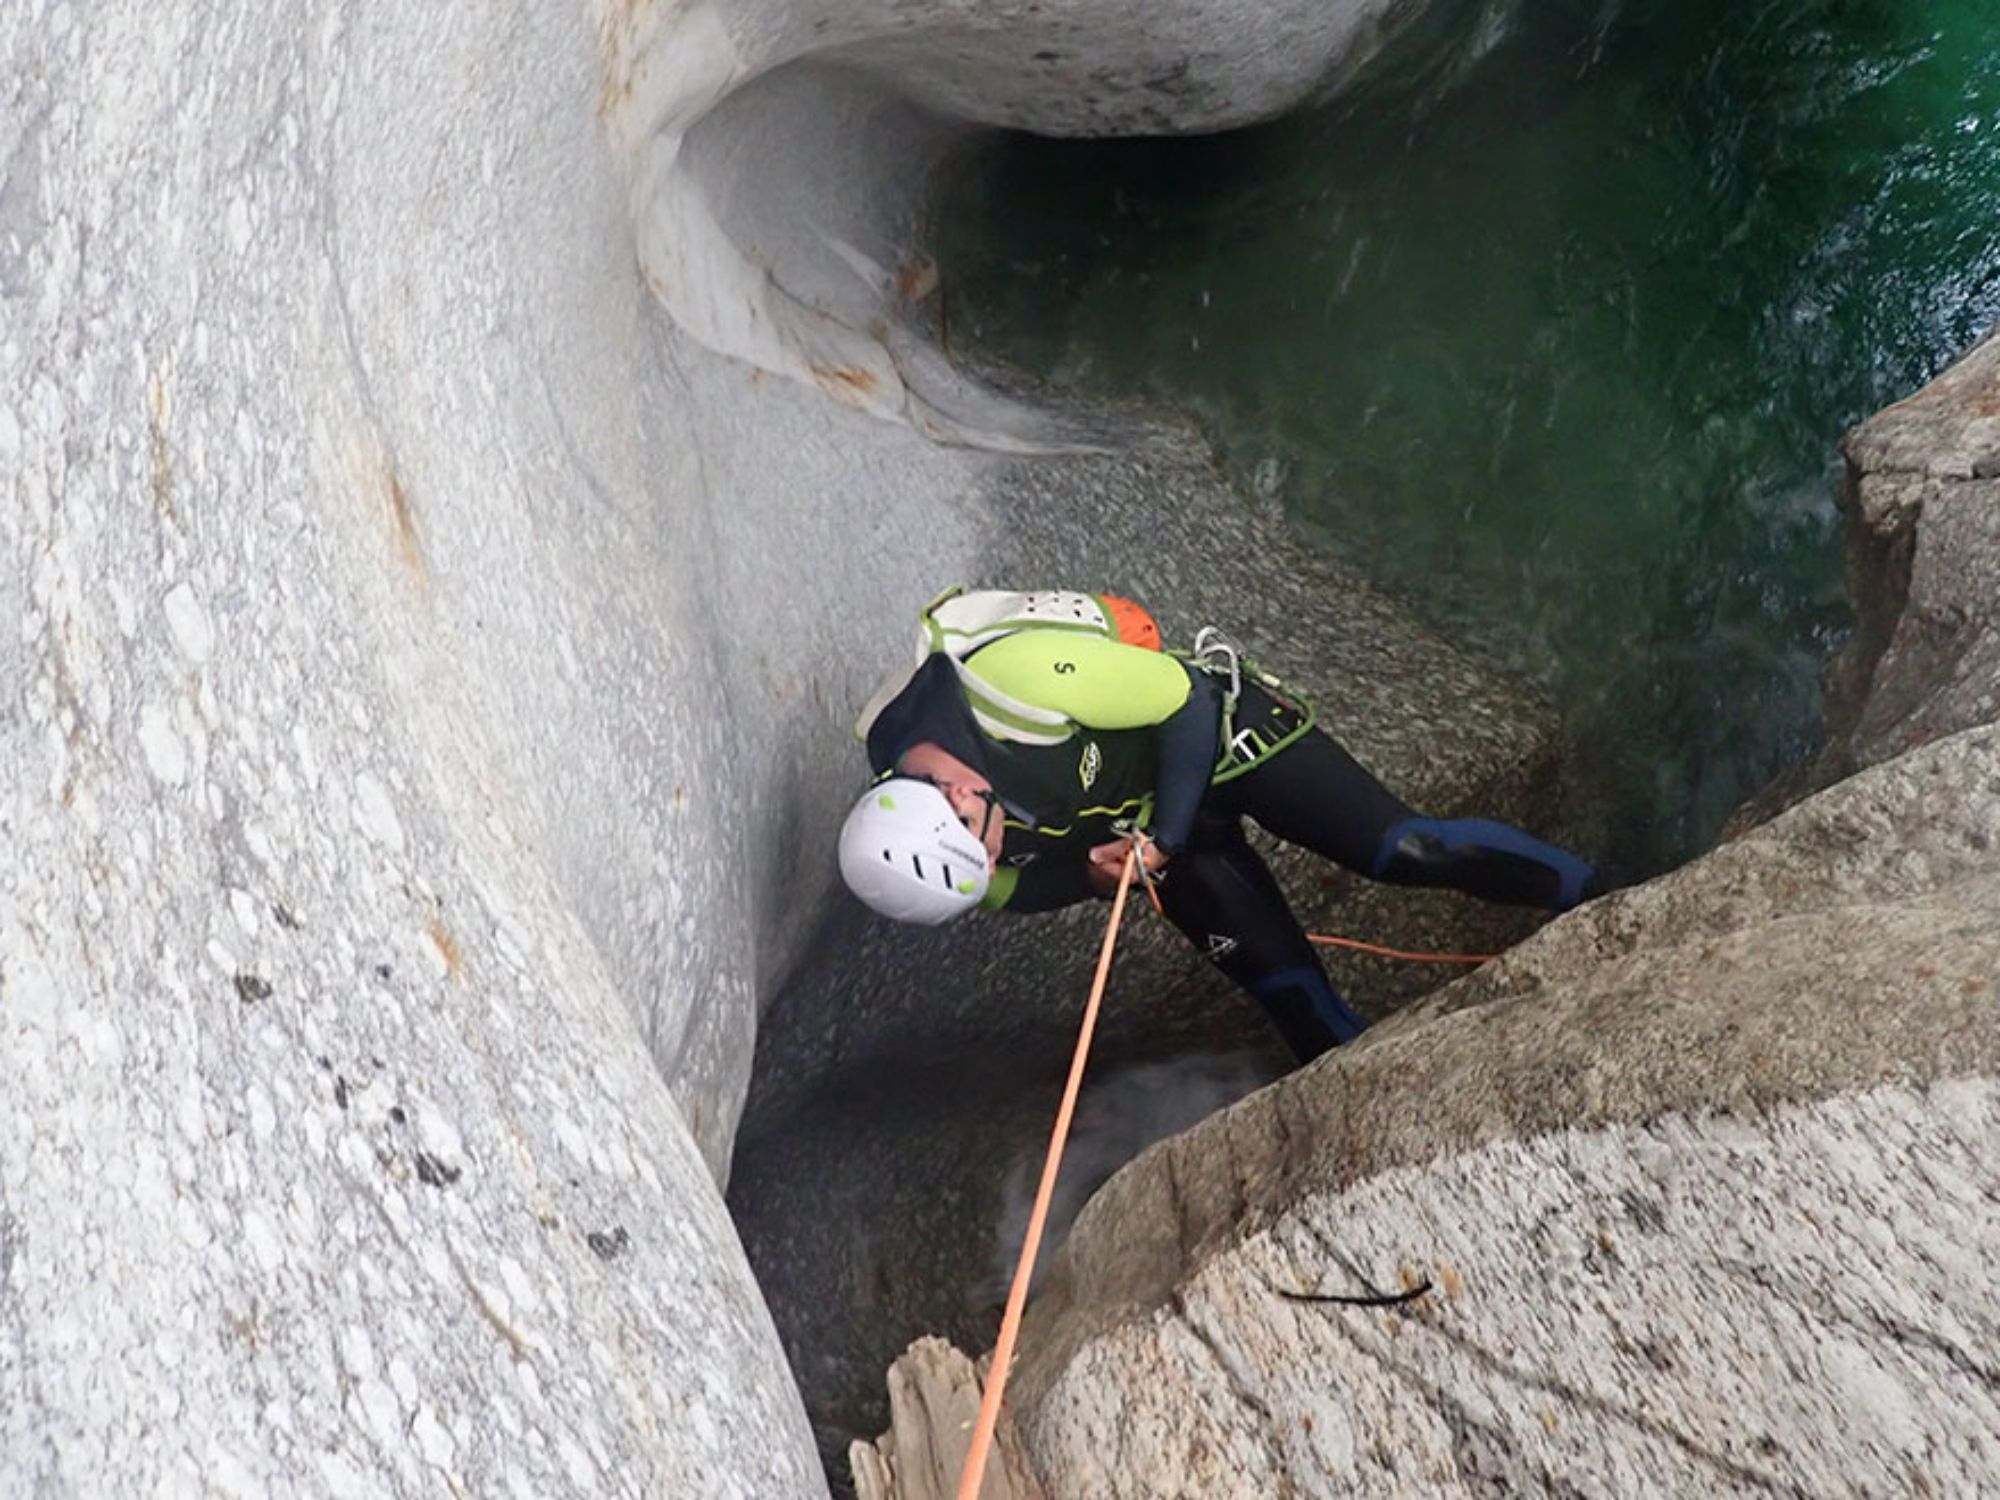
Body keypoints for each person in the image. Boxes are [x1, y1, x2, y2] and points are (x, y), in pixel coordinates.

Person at [838, 588, 1601, 1062]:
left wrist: (1165, 837)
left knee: (1411, 850)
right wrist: (1088, 878)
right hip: (1155, 833)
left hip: (1226, 737)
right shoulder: (930, 819)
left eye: (987, 839)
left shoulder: (1017, 683)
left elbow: (1185, 701)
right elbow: (1012, 891)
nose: (998, 856)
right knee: (1295, 1002)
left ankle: (1606, 895)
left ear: (959, 789)